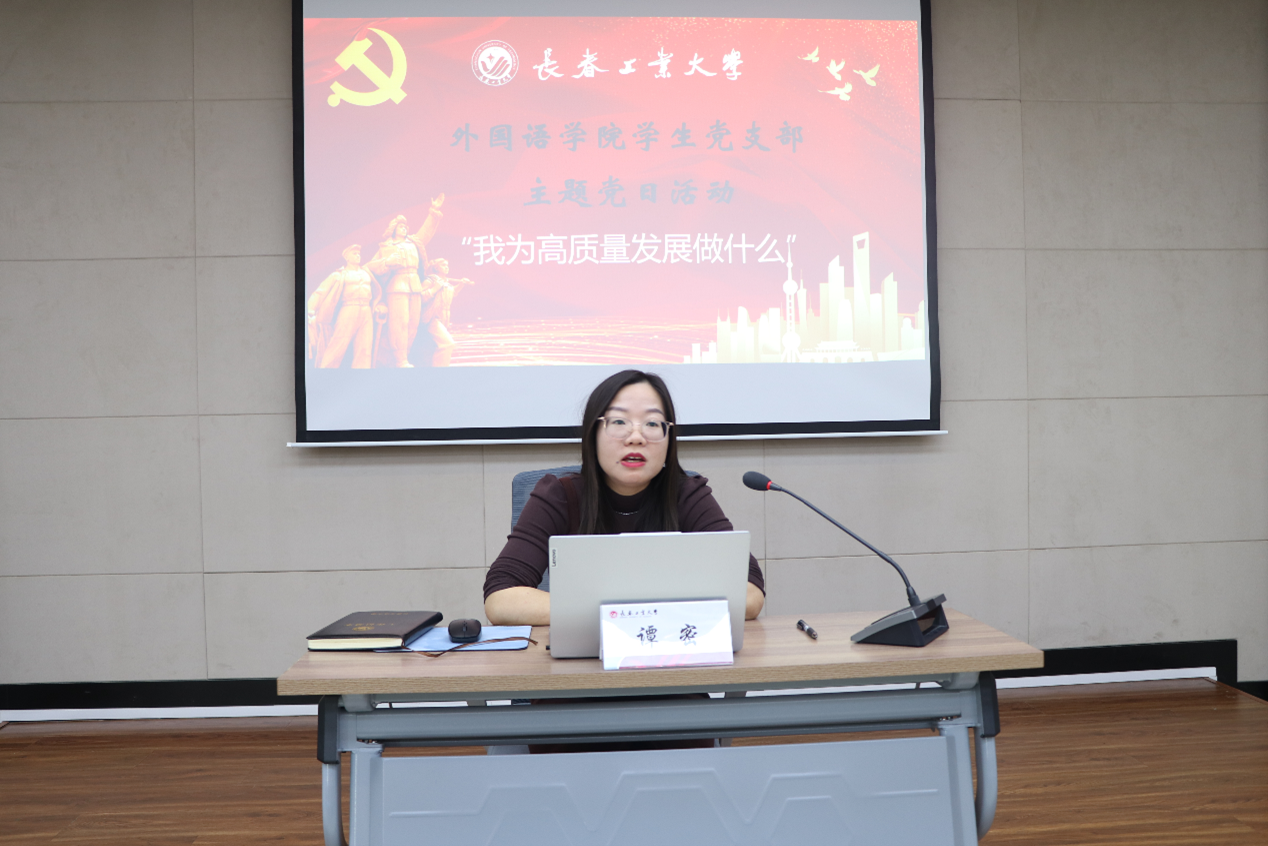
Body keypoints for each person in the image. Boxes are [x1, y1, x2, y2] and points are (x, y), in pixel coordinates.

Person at [484, 370, 766, 625]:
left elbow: (750, 593)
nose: (636, 437)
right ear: (592, 434)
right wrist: (624, 615)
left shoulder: (686, 495)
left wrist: (631, 614)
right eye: (619, 421)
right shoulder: (560, 496)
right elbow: (500, 598)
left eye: (652, 423)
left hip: (667, 657)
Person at [367, 193, 444, 367]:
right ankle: (400, 359)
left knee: (412, 324)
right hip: (397, 287)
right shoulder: (386, 247)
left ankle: (404, 357)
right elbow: (371, 266)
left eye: (405, 226)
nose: (404, 229)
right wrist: (387, 262)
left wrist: (433, 212)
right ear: (394, 229)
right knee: (399, 324)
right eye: (400, 226)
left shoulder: (414, 243)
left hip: (414, 286)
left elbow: (426, 232)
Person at [305, 244, 382, 368]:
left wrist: (378, 304)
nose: (358, 256)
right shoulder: (340, 275)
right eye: (354, 254)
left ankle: (361, 374)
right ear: (347, 257)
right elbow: (321, 292)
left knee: (364, 347)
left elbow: (377, 287)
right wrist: (309, 309)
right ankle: (326, 372)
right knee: (338, 343)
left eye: (358, 254)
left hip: (366, 310)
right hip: (349, 309)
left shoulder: (366, 272)